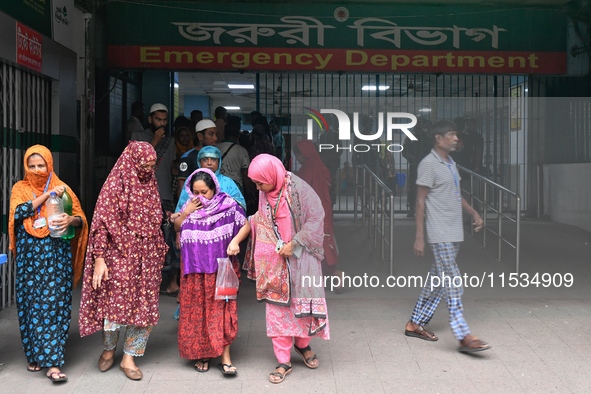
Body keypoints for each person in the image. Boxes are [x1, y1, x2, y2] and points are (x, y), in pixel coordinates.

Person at [78, 141, 168, 381]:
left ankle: (129, 356)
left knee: (144, 305)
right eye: (144, 165)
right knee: (115, 302)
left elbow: (155, 219)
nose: (147, 170)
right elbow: (100, 224)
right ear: (132, 162)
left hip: (147, 255)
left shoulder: (151, 183)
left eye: (151, 166)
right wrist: (99, 258)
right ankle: (109, 349)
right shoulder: (115, 185)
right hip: (118, 253)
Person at [404, 120, 491, 353]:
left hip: (454, 231)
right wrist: (419, 237)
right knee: (453, 281)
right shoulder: (428, 165)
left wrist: (474, 213)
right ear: (438, 139)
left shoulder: (450, 163)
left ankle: (414, 323)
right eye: (451, 135)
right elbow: (420, 201)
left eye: (456, 135)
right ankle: (463, 334)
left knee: (438, 279)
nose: (456, 139)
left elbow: (455, 194)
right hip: (439, 231)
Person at [244, 154, 330, 384]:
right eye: (255, 183)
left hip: (301, 257)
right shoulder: (265, 192)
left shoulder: (299, 190)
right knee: (278, 309)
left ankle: (303, 345)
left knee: (301, 304)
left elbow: (316, 217)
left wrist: (295, 244)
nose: (257, 188)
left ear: (272, 175)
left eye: (260, 182)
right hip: (276, 261)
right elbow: (261, 219)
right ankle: (283, 359)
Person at [8, 144, 88, 383]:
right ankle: (34, 354)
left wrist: (70, 219)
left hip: (56, 261)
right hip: (29, 263)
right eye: (31, 166)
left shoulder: (63, 189)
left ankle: (53, 363)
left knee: (54, 307)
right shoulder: (20, 188)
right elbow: (18, 213)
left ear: (49, 165)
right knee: (31, 307)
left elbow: (81, 218)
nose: (36, 170)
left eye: (41, 165)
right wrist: (46, 195)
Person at [174, 168, 250, 375]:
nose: (200, 197)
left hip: (223, 269)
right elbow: (177, 227)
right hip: (195, 271)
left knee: (223, 311)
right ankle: (204, 353)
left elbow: (246, 225)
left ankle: (225, 357)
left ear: (214, 189)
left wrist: (235, 241)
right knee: (199, 311)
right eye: (196, 192)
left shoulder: (227, 204)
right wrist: (187, 212)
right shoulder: (189, 207)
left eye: (204, 192)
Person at [293, 140, 344, 292]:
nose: (298, 159)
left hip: (312, 211)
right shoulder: (321, 165)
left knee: (311, 243)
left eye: (298, 155)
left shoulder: (308, 167)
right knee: (324, 240)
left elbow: (300, 187)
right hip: (324, 208)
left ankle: (334, 274)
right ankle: (331, 275)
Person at [176, 119, 218, 200]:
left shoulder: (216, 155)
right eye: (211, 134)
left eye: (216, 134)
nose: (215, 138)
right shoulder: (187, 157)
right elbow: (182, 187)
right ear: (200, 136)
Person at [402, 118, 433, 217]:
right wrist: (411, 158)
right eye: (417, 124)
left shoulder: (427, 138)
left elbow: (432, 151)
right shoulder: (410, 137)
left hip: (425, 166)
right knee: (413, 188)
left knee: (425, 187)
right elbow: (404, 151)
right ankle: (412, 208)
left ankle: (423, 209)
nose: (418, 126)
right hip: (414, 166)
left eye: (420, 123)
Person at [217, 115, 251, 193]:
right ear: (238, 134)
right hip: (236, 188)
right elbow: (245, 174)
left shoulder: (215, 148)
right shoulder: (242, 151)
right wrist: (249, 192)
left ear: (224, 134)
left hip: (219, 186)